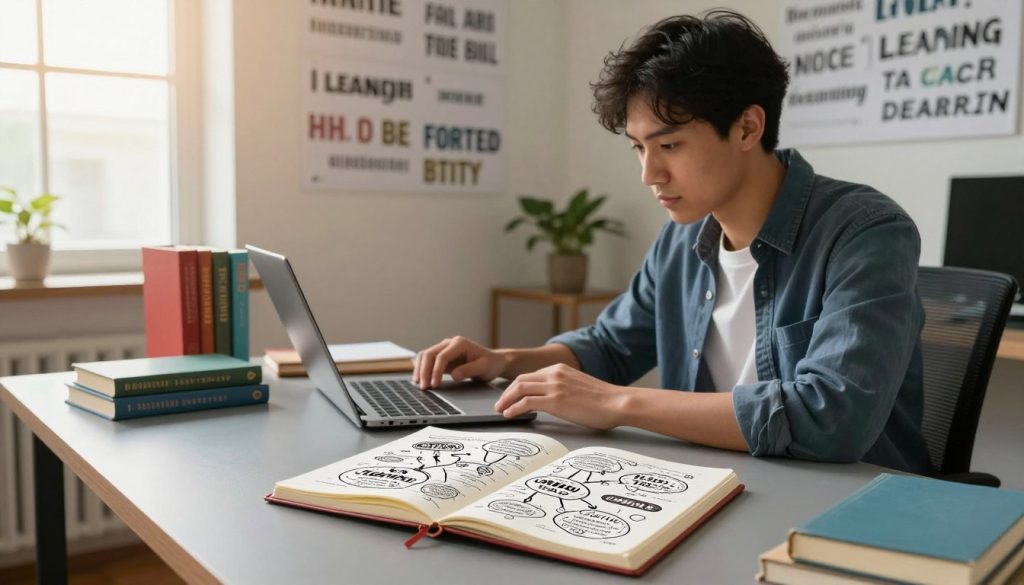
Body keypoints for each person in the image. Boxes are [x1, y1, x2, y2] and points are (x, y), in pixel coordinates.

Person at [413, 9, 931, 474]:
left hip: (849, 509)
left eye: (670, 145)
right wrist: (505, 361)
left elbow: (831, 417)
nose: (649, 173)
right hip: (724, 484)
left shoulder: (865, 231)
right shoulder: (681, 241)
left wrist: (620, 404)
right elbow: (611, 346)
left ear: (749, 127)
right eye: (639, 147)